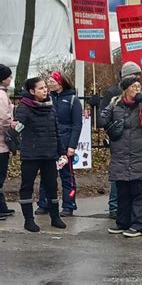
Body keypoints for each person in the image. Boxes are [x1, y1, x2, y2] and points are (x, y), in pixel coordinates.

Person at [100, 77, 142, 237]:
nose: (137, 89)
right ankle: (122, 222)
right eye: (134, 86)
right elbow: (101, 120)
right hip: (120, 155)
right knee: (123, 193)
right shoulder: (115, 104)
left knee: (138, 193)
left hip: (138, 156)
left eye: (139, 86)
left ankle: (138, 225)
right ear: (126, 89)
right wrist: (102, 107)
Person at [14, 77, 68, 232]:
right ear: (32, 91)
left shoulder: (50, 106)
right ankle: (28, 220)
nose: (45, 90)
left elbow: (56, 131)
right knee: (27, 186)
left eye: (45, 87)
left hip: (50, 154)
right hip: (31, 155)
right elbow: (17, 127)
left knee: (52, 185)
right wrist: (16, 130)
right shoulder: (24, 107)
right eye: (41, 88)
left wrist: (62, 151)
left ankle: (55, 217)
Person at [98, 61, 142, 219]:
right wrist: (115, 128)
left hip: (135, 139)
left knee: (133, 175)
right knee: (120, 174)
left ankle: (130, 206)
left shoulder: (138, 94)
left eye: (138, 75)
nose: (137, 79)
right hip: (120, 139)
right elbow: (103, 119)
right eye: (134, 76)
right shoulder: (113, 92)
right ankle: (115, 206)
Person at [36, 71, 82, 217]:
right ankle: (44, 203)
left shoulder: (73, 100)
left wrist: (72, 146)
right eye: (48, 80)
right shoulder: (47, 99)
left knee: (67, 176)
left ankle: (69, 205)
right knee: (46, 174)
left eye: (52, 80)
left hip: (65, 143)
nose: (49, 83)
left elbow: (77, 124)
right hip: (49, 143)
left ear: (60, 82)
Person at [0, 64, 14, 219]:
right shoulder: (2, 96)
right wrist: (12, 126)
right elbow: (4, 118)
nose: (11, 79)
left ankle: (2, 206)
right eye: (9, 76)